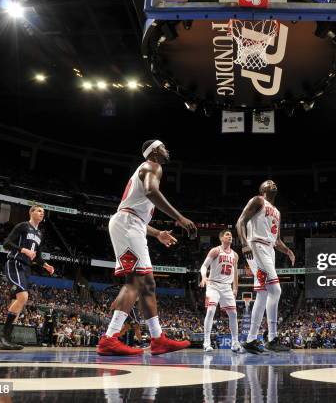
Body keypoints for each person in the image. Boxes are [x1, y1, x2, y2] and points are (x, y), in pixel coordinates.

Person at [97, 139, 197, 356]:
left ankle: (157, 338)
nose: (167, 150)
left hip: (131, 224)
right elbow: (152, 192)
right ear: (154, 151)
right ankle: (109, 338)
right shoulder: (153, 166)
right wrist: (179, 218)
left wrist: (158, 233)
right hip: (127, 224)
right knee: (135, 281)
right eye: (163, 147)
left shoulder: (145, 169)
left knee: (148, 283)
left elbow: (137, 215)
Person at [236, 180, 295, 354]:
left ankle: (251, 339)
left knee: (262, 294)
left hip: (269, 249)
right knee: (275, 290)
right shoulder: (258, 200)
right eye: (268, 183)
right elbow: (240, 221)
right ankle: (272, 338)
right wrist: (244, 243)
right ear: (262, 190)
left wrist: (288, 250)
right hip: (257, 246)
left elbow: (276, 240)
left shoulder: (277, 211)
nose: (273, 183)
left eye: (274, 182)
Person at [0, 205, 55, 350]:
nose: (41, 213)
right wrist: (23, 250)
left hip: (26, 268)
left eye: (43, 212)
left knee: (18, 301)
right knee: (23, 297)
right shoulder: (22, 226)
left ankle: (6, 339)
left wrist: (46, 265)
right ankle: (3, 338)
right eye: (38, 211)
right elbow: (6, 244)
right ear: (31, 212)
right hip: (15, 263)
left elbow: (37, 256)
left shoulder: (40, 234)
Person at [199, 229, 242, 353]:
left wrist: (235, 288)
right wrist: (203, 277)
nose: (230, 237)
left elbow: (235, 272)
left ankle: (235, 343)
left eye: (231, 235)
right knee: (211, 310)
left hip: (227, 287)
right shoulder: (215, 250)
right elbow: (204, 266)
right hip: (213, 285)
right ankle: (206, 342)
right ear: (221, 238)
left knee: (233, 314)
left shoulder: (235, 255)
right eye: (227, 235)